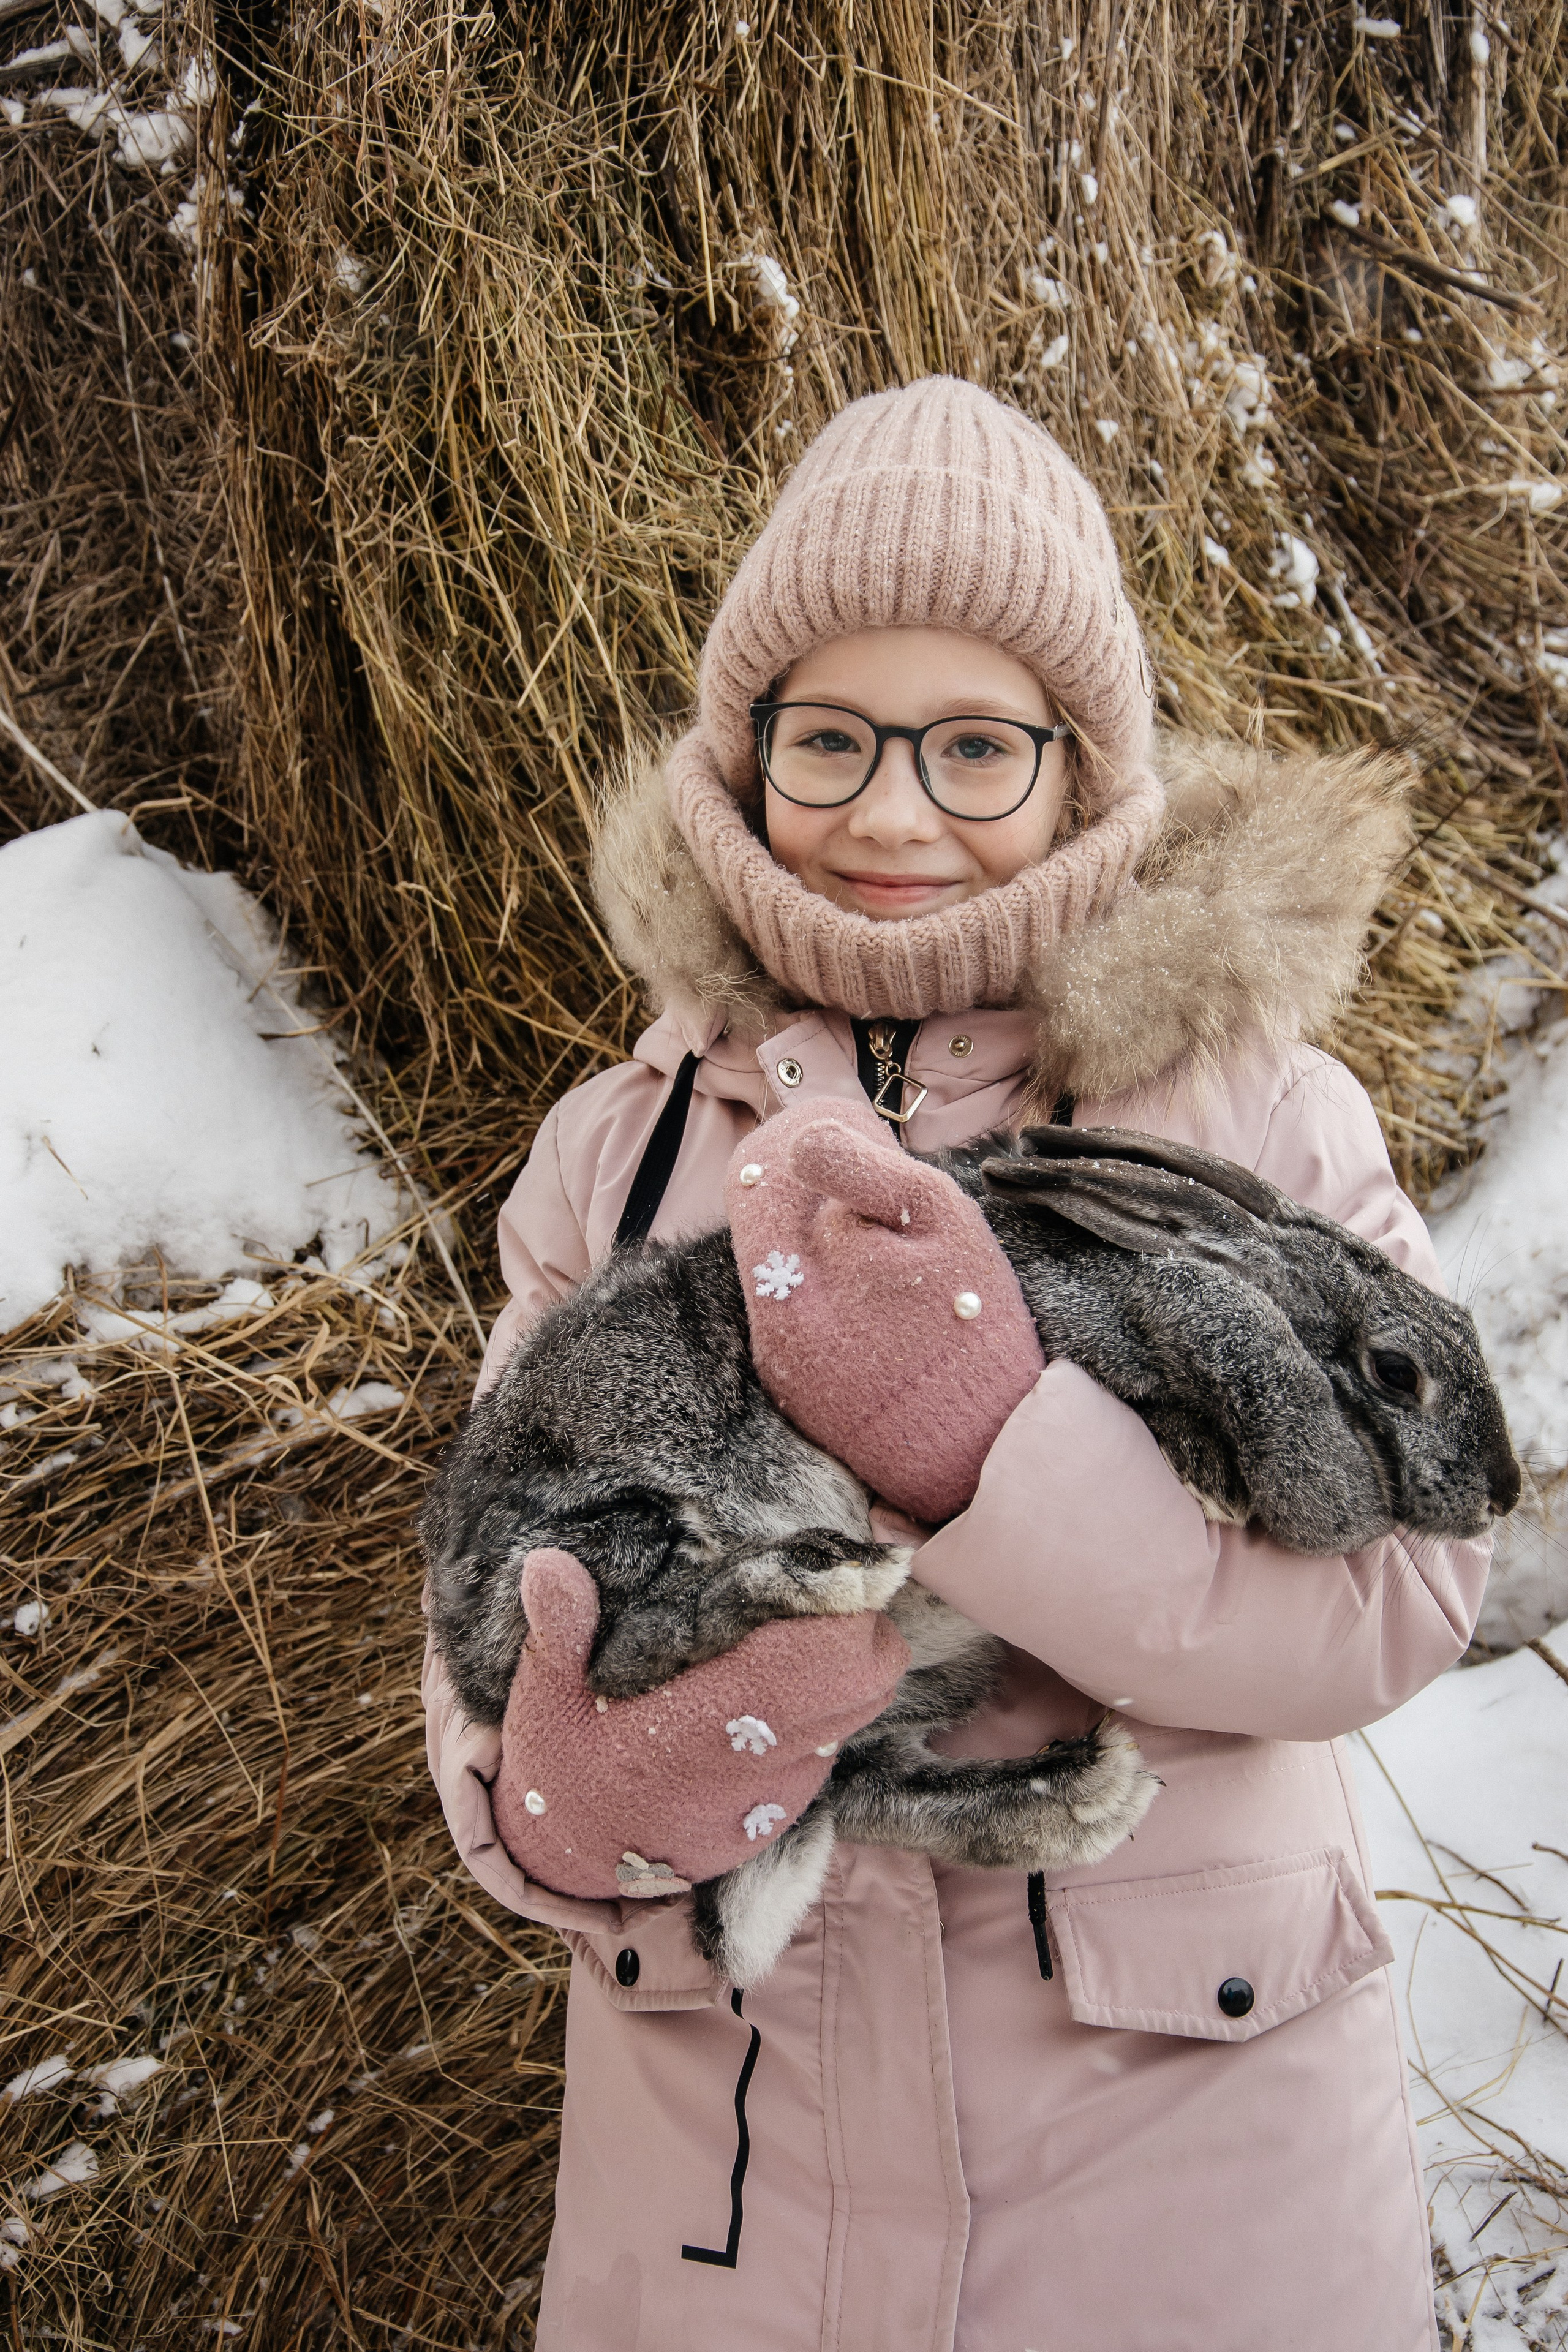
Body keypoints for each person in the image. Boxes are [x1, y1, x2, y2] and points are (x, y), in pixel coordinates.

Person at [422, 378, 1491, 2351]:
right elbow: (490, 1610)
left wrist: (991, 1458)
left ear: (1082, 775)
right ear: (743, 760)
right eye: (829, 737)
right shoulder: (624, 1146)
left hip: (1177, 2170)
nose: (892, 813)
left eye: (976, 747)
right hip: (724, 2195)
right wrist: (548, 1811)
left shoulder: (1248, 1107)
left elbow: (1405, 1603)